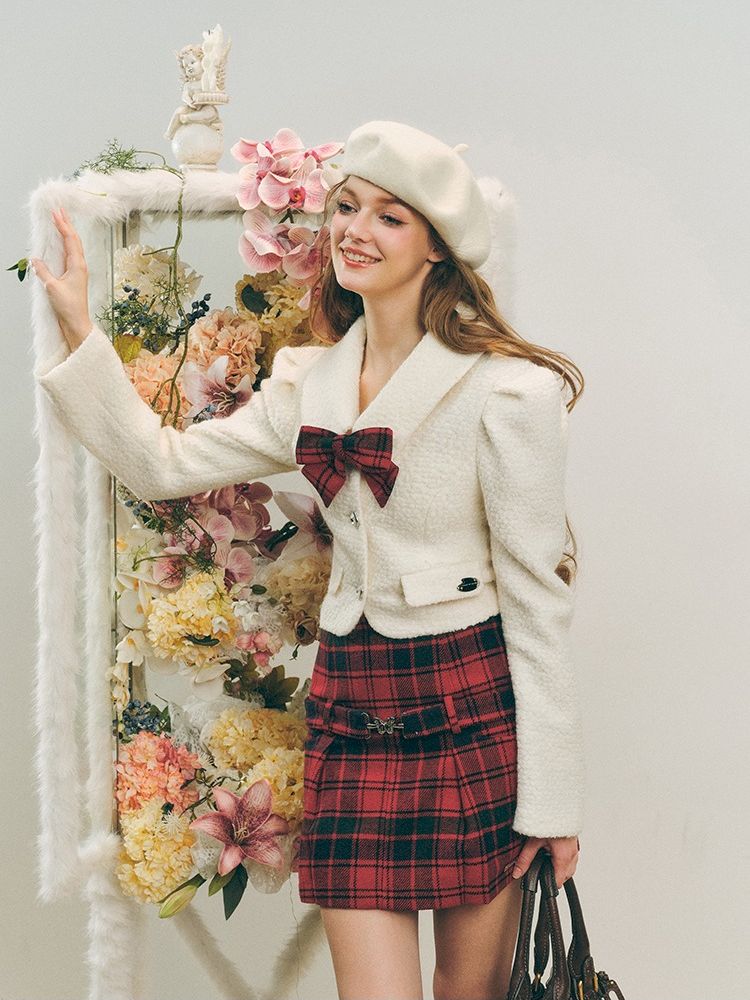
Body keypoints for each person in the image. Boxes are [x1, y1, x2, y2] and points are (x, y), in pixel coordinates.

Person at [31, 119, 585, 1000]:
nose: (356, 231)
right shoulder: (308, 383)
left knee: (470, 994)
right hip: (351, 701)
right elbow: (162, 465)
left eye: (391, 218)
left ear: (437, 247)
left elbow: (537, 603)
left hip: (468, 703)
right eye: (347, 207)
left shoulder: (506, 391)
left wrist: (553, 803)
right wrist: (79, 332)